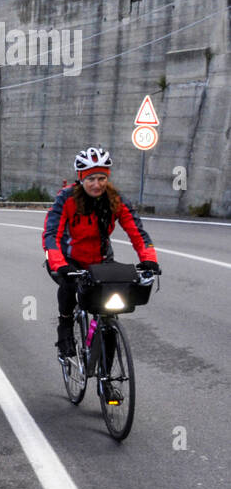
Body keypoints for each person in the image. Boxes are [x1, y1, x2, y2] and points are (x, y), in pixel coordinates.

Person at [43, 146, 160, 357]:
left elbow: (137, 233)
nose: (97, 184)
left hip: (101, 262)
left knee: (110, 311)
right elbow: (51, 235)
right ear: (80, 179)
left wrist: (149, 259)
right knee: (69, 288)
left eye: (101, 178)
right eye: (90, 179)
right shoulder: (66, 199)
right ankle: (65, 327)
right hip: (69, 261)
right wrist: (59, 264)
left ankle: (107, 382)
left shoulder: (116, 200)